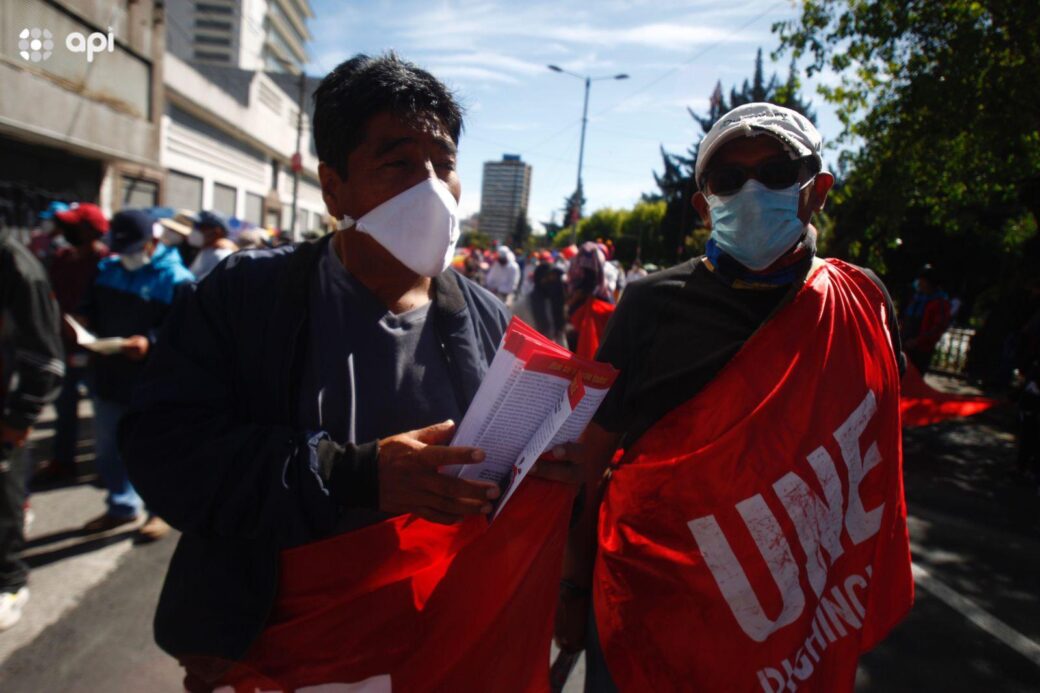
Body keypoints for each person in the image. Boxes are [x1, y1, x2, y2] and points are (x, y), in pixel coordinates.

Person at [121, 53, 579, 690]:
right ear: (333, 187)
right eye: (398, 163)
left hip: (435, 642)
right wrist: (353, 475)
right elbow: (167, 454)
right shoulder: (243, 297)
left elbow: (505, 480)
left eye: (443, 165)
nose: (431, 189)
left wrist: (548, 470)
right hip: (272, 648)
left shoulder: (487, 320)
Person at [556, 103, 912, 692]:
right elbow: (585, 465)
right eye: (728, 180)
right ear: (704, 205)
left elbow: (867, 451)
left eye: (775, 172)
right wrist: (570, 590)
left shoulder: (862, 302)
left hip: (789, 617)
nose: (752, 190)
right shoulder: (649, 304)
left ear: (816, 190)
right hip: (648, 608)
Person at [77, 210, 193, 541]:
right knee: (108, 450)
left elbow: (185, 332)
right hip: (109, 377)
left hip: (153, 383)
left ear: (153, 243)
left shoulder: (176, 279)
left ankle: (161, 512)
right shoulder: (106, 269)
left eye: (133, 249)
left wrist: (151, 341)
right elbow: (89, 310)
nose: (126, 257)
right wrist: (81, 325)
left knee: (155, 452)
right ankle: (121, 506)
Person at [0, 224, 64, 630]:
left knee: (2, 502)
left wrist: (19, 417)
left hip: (4, 407)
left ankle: (9, 582)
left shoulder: (17, 267)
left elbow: (44, 357)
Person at [35, 203, 110, 483]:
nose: (66, 231)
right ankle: (62, 462)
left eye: (73, 226)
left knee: (103, 418)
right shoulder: (62, 258)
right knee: (63, 409)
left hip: (95, 352)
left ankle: (110, 473)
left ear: (91, 232)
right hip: (62, 347)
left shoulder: (107, 264)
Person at [901, 264, 952, 373]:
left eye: (922, 280)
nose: (919, 283)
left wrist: (917, 341)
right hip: (906, 343)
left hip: (921, 349)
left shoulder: (940, 302)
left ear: (930, 283)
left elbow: (937, 327)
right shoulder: (916, 298)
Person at [513, 262, 567, 346]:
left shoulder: (556, 303)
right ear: (539, 279)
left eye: (554, 278)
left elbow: (560, 336)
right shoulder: (522, 305)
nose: (552, 280)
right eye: (548, 277)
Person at [187, 211, 237, 280]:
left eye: (199, 227)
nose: (194, 230)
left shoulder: (220, 255)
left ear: (217, 231)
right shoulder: (207, 250)